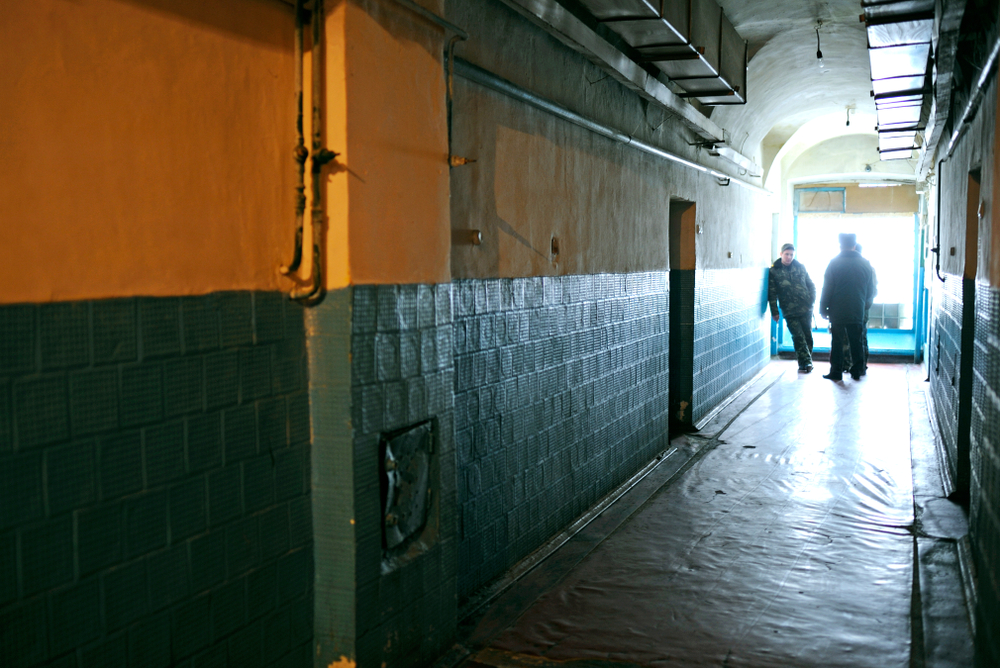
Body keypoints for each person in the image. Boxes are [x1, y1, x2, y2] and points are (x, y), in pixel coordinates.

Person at [820, 233, 876, 381]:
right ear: (854, 246)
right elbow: (871, 290)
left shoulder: (834, 263)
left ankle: (836, 372)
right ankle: (857, 370)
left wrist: (823, 307)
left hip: (837, 310)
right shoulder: (865, 264)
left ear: (840, 246)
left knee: (837, 341)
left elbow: (827, 288)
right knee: (856, 341)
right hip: (857, 309)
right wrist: (864, 305)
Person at [768, 242, 817, 372]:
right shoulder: (774, 271)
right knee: (798, 336)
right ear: (781, 254)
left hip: (805, 308)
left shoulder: (800, 267)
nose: (789, 257)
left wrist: (811, 300)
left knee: (807, 337)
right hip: (789, 310)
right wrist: (775, 311)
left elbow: (811, 285)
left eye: (791, 255)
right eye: (786, 254)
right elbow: (771, 293)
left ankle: (804, 362)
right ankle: (807, 363)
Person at [842, 243, 877, 374]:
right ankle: (858, 365)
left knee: (854, 336)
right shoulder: (867, 266)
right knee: (859, 336)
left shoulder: (861, 267)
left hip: (858, 307)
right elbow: (873, 290)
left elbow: (871, 290)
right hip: (861, 307)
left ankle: (854, 365)